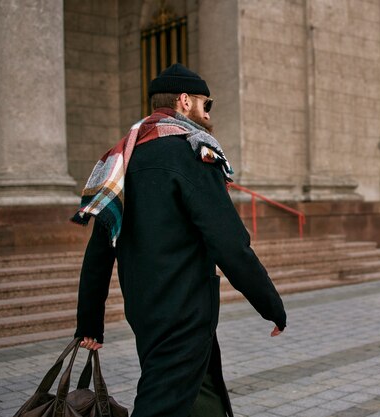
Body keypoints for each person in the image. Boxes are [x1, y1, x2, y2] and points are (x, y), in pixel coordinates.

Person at [72, 63, 287, 417]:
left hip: (144, 307)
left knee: (201, 392)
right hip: (185, 309)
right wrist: (271, 306)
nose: (208, 112)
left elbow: (101, 246)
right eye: (206, 103)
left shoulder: (123, 159)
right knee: (162, 403)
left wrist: (90, 320)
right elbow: (230, 243)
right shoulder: (193, 154)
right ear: (185, 101)